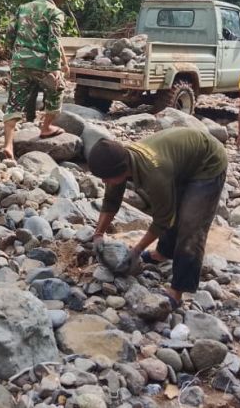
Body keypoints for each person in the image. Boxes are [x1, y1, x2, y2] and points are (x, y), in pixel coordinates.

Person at [87, 128, 228, 309]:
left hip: (208, 162)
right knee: (170, 204)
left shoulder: (155, 174)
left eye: (106, 179)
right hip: (181, 160)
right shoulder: (120, 160)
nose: (104, 182)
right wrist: (98, 234)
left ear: (122, 170)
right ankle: (163, 253)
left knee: (191, 226)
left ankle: (177, 291)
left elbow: (163, 219)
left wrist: (137, 250)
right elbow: (111, 201)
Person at [2, 0, 71, 159]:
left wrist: (15, 54)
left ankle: (8, 145)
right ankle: (46, 127)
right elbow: (54, 40)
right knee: (58, 89)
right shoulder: (55, 12)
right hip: (41, 63)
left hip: (19, 62)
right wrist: (55, 68)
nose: (62, 1)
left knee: (14, 102)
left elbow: (9, 35)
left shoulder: (23, 8)